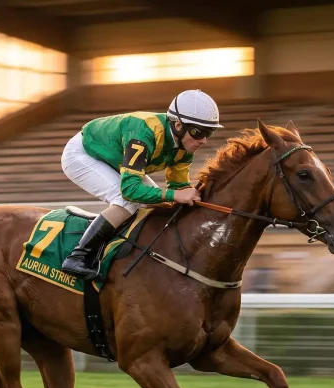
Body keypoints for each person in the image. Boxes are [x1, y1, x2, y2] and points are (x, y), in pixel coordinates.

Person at [59, 89, 221, 280]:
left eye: (208, 133)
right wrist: (175, 195)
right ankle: (77, 257)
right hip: (83, 154)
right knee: (126, 200)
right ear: (178, 125)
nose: (203, 140)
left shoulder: (185, 147)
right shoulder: (144, 133)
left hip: (114, 158)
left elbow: (179, 188)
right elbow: (130, 190)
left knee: (156, 202)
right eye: (198, 132)